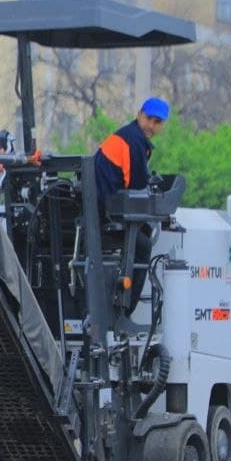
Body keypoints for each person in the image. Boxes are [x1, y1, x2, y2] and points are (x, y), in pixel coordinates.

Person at [93, 97, 170, 312]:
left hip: (103, 208)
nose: (151, 126)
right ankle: (125, 309)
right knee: (143, 245)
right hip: (106, 214)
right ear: (139, 115)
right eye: (149, 119)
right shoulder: (134, 142)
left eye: (157, 122)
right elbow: (137, 188)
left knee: (141, 233)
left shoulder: (127, 136)